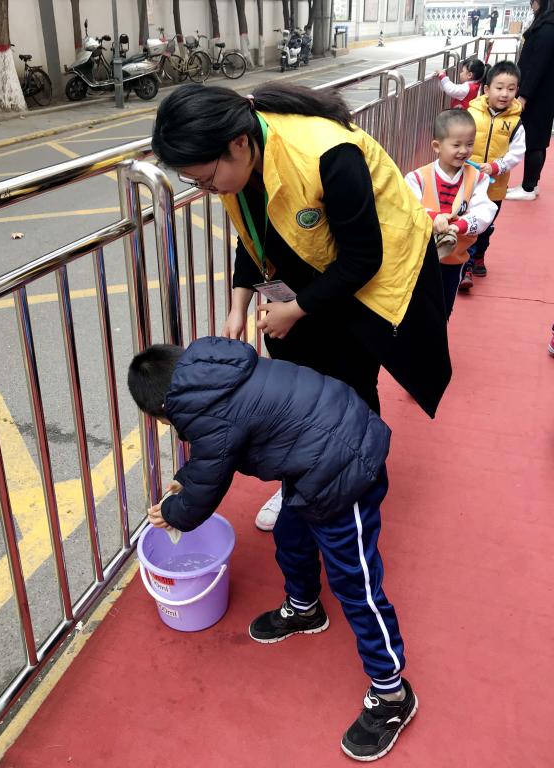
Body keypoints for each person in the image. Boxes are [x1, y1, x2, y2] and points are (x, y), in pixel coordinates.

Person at [152, 83, 451, 530]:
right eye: (195, 183)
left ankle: (356, 482)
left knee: (349, 384)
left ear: (238, 143)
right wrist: (238, 304)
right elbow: (252, 234)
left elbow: (363, 259)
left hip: (366, 277)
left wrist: (294, 310)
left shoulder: (328, 153)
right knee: (297, 385)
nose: (207, 189)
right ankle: (304, 476)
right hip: (306, 280)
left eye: (206, 179)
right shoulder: (241, 160)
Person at [128, 337, 418, 762]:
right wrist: (185, 480)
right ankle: (305, 609)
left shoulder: (202, 410)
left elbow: (206, 487)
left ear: (160, 409)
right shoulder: (210, 375)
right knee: (290, 536)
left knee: (356, 585)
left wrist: (172, 512)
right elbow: (213, 456)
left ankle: (392, 695)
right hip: (313, 459)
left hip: (346, 466)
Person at [405, 110, 497, 316]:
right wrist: (433, 217)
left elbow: (485, 211)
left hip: (454, 259)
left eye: (469, 144)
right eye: (456, 145)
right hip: (419, 258)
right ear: (437, 146)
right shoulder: (417, 178)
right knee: (412, 306)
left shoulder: (477, 178)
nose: (464, 150)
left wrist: (458, 226)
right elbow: (408, 208)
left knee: (444, 307)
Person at [458, 60, 525, 289]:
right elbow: (458, 138)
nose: (505, 94)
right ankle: (466, 266)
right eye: (499, 87)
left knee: (486, 226)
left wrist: (497, 167)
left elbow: (517, 152)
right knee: (468, 221)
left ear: (517, 91)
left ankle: (479, 255)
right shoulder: (471, 114)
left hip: (495, 187)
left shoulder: (515, 123)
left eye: (511, 88)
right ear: (487, 89)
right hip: (468, 183)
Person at [506, 0, 554, 201]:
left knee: (534, 140)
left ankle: (528, 187)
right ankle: (531, 184)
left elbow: (536, 66)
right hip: (542, 93)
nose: (531, 5)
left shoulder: (548, 28)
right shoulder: (547, 25)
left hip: (538, 95)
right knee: (537, 139)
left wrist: (524, 95)